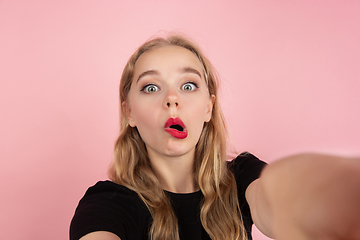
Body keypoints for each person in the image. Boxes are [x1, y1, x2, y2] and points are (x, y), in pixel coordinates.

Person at [70, 34, 360, 240]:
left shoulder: (243, 175)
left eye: (188, 85)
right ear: (129, 112)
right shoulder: (108, 202)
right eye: (151, 88)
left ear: (208, 107)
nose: (172, 99)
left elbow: (276, 205)